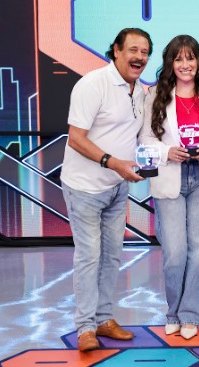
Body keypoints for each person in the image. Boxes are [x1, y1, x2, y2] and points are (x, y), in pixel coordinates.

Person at [60, 27, 152, 352]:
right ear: (116, 50)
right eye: (133, 50)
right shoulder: (93, 84)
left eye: (145, 52)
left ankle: (103, 318)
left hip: (117, 188)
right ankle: (85, 328)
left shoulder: (140, 91)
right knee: (89, 256)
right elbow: (76, 139)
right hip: (84, 188)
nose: (139, 57)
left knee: (112, 256)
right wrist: (113, 163)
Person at [138, 34, 199, 340]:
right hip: (169, 177)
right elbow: (145, 138)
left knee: (198, 251)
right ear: (170, 63)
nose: (185, 64)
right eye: (178, 59)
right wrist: (166, 152)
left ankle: (190, 315)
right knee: (175, 252)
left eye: (190, 58)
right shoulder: (156, 95)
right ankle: (172, 312)